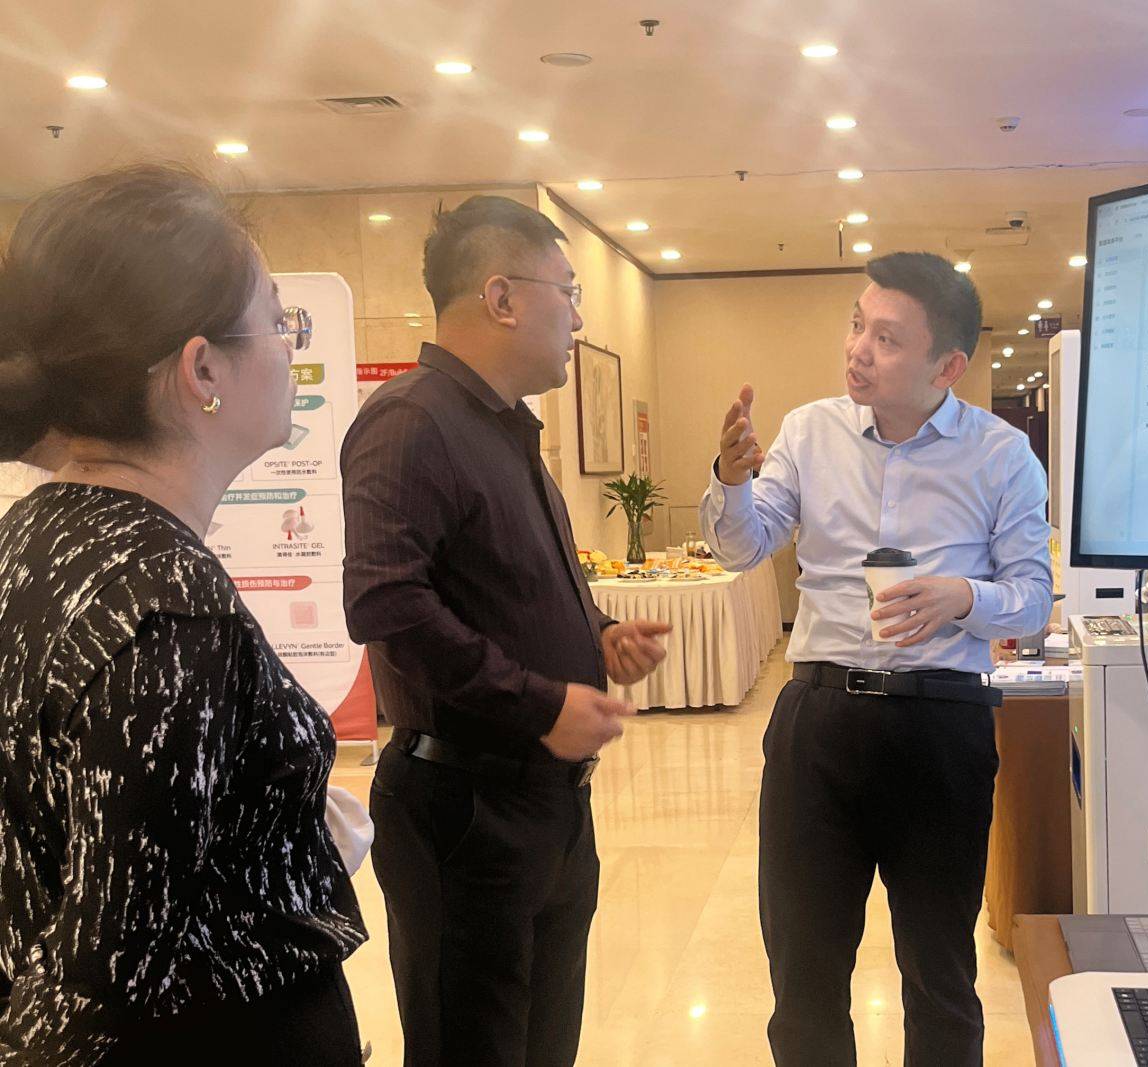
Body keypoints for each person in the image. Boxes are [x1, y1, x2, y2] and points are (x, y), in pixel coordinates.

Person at [0, 164, 367, 1064]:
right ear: (203, 370)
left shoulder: (36, 538)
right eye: (277, 322)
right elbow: (107, 981)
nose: (289, 349)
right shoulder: (169, 612)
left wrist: (276, 832)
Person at [700, 251, 1053, 1066]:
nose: (859, 348)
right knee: (803, 974)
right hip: (819, 723)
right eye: (858, 325)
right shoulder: (809, 431)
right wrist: (732, 479)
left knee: (940, 975)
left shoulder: (1001, 454)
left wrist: (962, 596)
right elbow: (741, 548)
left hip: (942, 728)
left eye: (888, 339)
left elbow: (1034, 597)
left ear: (948, 366)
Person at [341, 196, 670, 1066]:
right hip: (466, 811)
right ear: (501, 297)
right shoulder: (411, 420)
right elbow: (386, 605)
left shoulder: (508, 432)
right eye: (569, 292)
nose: (577, 320)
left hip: (547, 809)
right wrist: (538, 703)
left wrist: (597, 635)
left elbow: (504, 587)